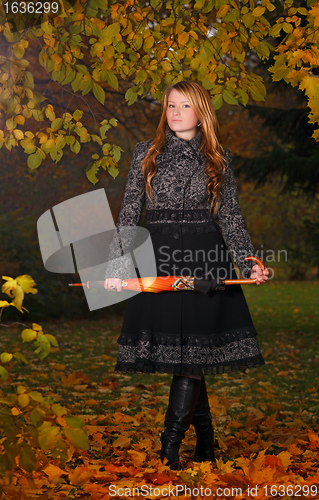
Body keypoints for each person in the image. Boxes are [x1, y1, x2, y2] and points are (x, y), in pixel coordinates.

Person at [104, 81, 269, 470]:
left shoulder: (218, 157)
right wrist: (115, 266)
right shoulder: (146, 153)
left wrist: (250, 263)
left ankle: (170, 442)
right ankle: (207, 444)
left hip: (205, 261)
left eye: (184, 105)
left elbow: (230, 219)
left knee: (190, 355)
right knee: (188, 354)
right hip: (159, 261)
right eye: (170, 105)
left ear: (202, 112)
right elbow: (129, 213)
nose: (175, 112)